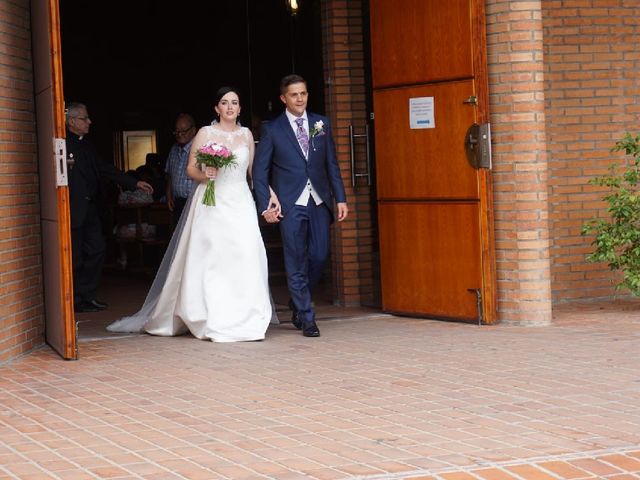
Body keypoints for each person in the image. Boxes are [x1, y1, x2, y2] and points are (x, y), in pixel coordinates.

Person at [107, 87, 280, 342]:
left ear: (240, 108)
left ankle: (245, 314)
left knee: (246, 253)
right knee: (212, 256)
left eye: (235, 102)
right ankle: (210, 315)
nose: (230, 107)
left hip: (240, 201)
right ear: (216, 108)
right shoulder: (205, 133)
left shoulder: (246, 135)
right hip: (212, 201)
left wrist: (271, 195)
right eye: (224, 102)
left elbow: (254, 174)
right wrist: (206, 174)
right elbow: (190, 169)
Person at [252, 74, 348, 338]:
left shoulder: (321, 123)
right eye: (294, 95)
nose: (300, 99)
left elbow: (331, 164)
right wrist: (265, 206)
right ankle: (307, 317)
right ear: (284, 98)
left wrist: (340, 197)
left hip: (319, 200)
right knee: (294, 259)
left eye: (303, 93)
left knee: (319, 255)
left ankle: (296, 300)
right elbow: (261, 172)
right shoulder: (272, 129)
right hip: (290, 203)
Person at [65, 102, 154, 313]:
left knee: (97, 250)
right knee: (75, 258)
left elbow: (105, 168)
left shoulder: (87, 145)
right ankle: (74, 299)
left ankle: (87, 296)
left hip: (92, 211)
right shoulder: (62, 145)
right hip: (73, 211)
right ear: (72, 122)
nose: (89, 122)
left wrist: (133, 182)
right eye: (85, 118)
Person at [165, 113, 196, 223]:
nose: (179, 134)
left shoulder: (201, 149)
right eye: (177, 131)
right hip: (178, 203)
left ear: (193, 130)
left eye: (183, 131)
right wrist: (169, 196)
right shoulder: (174, 149)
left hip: (195, 203)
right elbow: (169, 176)